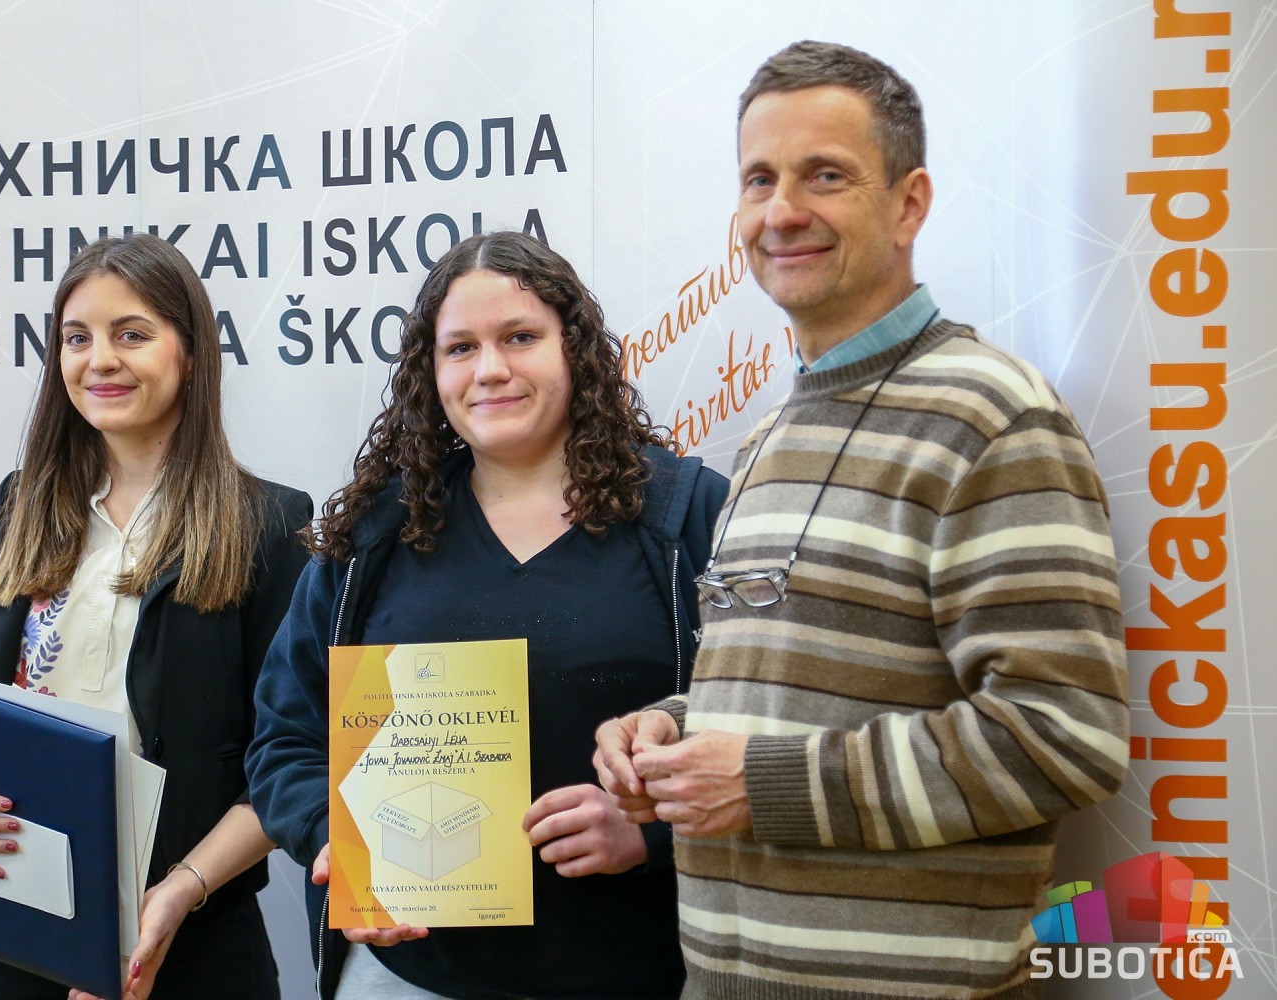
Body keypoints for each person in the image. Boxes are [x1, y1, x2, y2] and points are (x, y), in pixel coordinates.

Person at [594, 41, 1130, 999]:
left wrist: (761, 786)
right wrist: (670, 732)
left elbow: (1062, 736)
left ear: (910, 203)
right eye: (760, 179)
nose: (781, 211)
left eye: (826, 175)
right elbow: (797, 700)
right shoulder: (767, 436)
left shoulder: (992, 419)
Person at [245, 230, 729, 999]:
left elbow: (763, 730)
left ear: (575, 350)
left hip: (635, 972)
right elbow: (285, 740)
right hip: (405, 976)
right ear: (430, 372)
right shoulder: (375, 536)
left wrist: (655, 834)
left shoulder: (685, 519)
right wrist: (335, 835)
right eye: (461, 348)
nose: (490, 369)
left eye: (520, 337)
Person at [0, 233, 311, 1000]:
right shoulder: (17, 508)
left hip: (194, 934)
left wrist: (179, 891)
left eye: (131, 334)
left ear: (190, 353)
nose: (100, 360)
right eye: (77, 338)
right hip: (18, 918)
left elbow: (287, 758)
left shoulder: (268, 525)